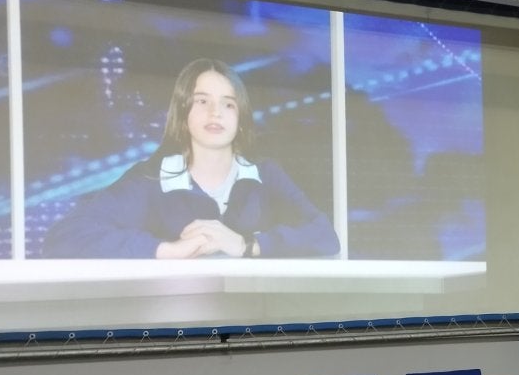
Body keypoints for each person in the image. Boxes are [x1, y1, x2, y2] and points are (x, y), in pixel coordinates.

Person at [43, 59, 340, 259]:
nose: (216, 113)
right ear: (183, 113)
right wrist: (165, 250)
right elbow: (64, 236)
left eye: (228, 104)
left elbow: (324, 235)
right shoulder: (152, 179)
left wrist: (247, 245)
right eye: (202, 101)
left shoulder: (266, 174)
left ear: (241, 118)